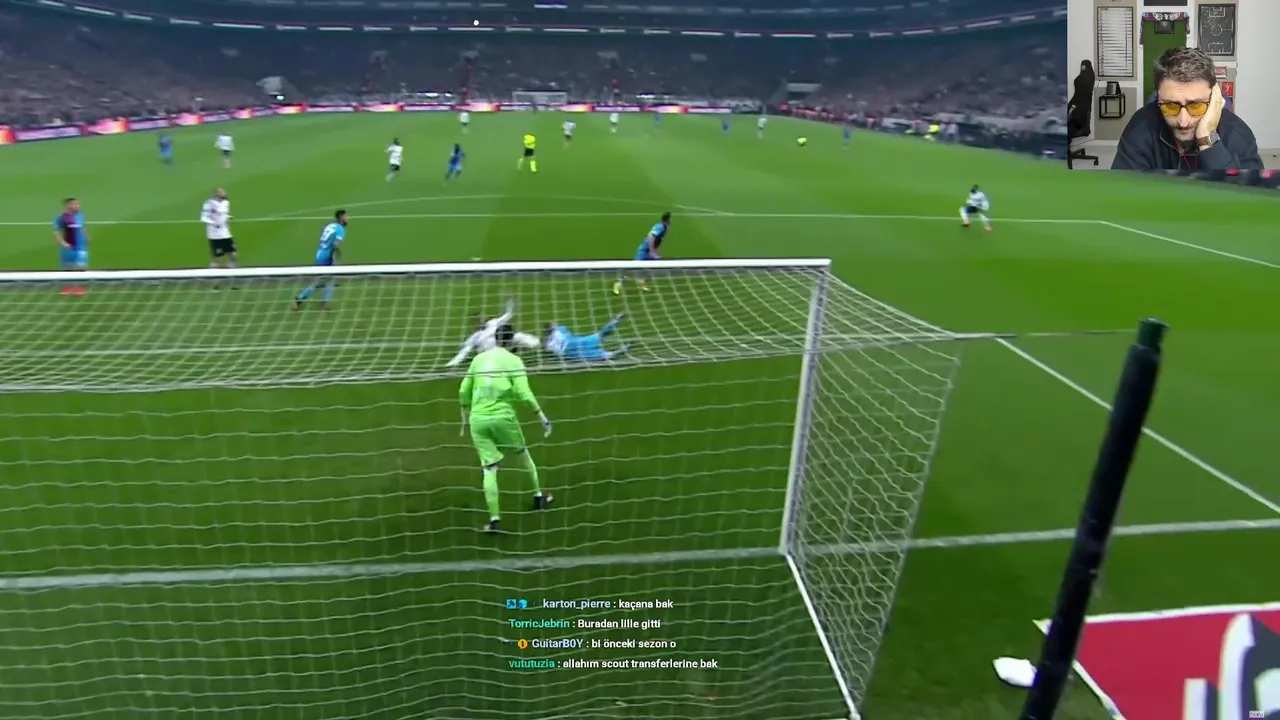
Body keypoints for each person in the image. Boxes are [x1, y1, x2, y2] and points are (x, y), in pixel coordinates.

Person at [458, 324, 554, 533]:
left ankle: (494, 520)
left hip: (478, 419)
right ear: (511, 341)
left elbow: (464, 390)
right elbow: (523, 393)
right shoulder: (513, 361)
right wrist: (542, 417)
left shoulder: (478, 359)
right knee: (523, 455)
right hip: (503, 418)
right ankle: (538, 497)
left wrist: (464, 415)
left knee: (489, 469)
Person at [1112, 47, 1262, 172]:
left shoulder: (1237, 133)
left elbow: (1249, 196)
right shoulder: (1141, 126)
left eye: (1195, 105)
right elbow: (1121, 190)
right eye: (1171, 106)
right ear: (1158, 96)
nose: (1183, 121)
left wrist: (1207, 140)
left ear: (1214, 97)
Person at [293, 210, 347, 310]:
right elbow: (336, 244)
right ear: (341, 217)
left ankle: (325, 302)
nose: (347, 218)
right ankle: (299, 299)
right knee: (321, 282)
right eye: (346, 216)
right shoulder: (340, 229)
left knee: (330, 279)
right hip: (327, 256)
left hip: (320, 253)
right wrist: (335, 253)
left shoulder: (330, 225)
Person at [613, 212, 669, 296]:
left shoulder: (663, 227)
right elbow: (650, 236)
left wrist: (655, 252)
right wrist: (652, 252)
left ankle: (643, 284)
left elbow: (658, 241)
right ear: (668, 220)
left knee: (652, 267)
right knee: (632, 270)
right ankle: (618, 284)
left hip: (648, 252)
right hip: (644, 251)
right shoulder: (660, 227)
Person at [544, 314, 629, 362]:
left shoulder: (548, 344)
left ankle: (619, 350)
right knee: (599, 337)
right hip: (572, 344)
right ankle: (616, 321)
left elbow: (552, 350)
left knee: (595, 352)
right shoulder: (560, 330)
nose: (555, 324)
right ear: (552, 327)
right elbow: (568, 334)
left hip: (569, 350)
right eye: (554, 324)